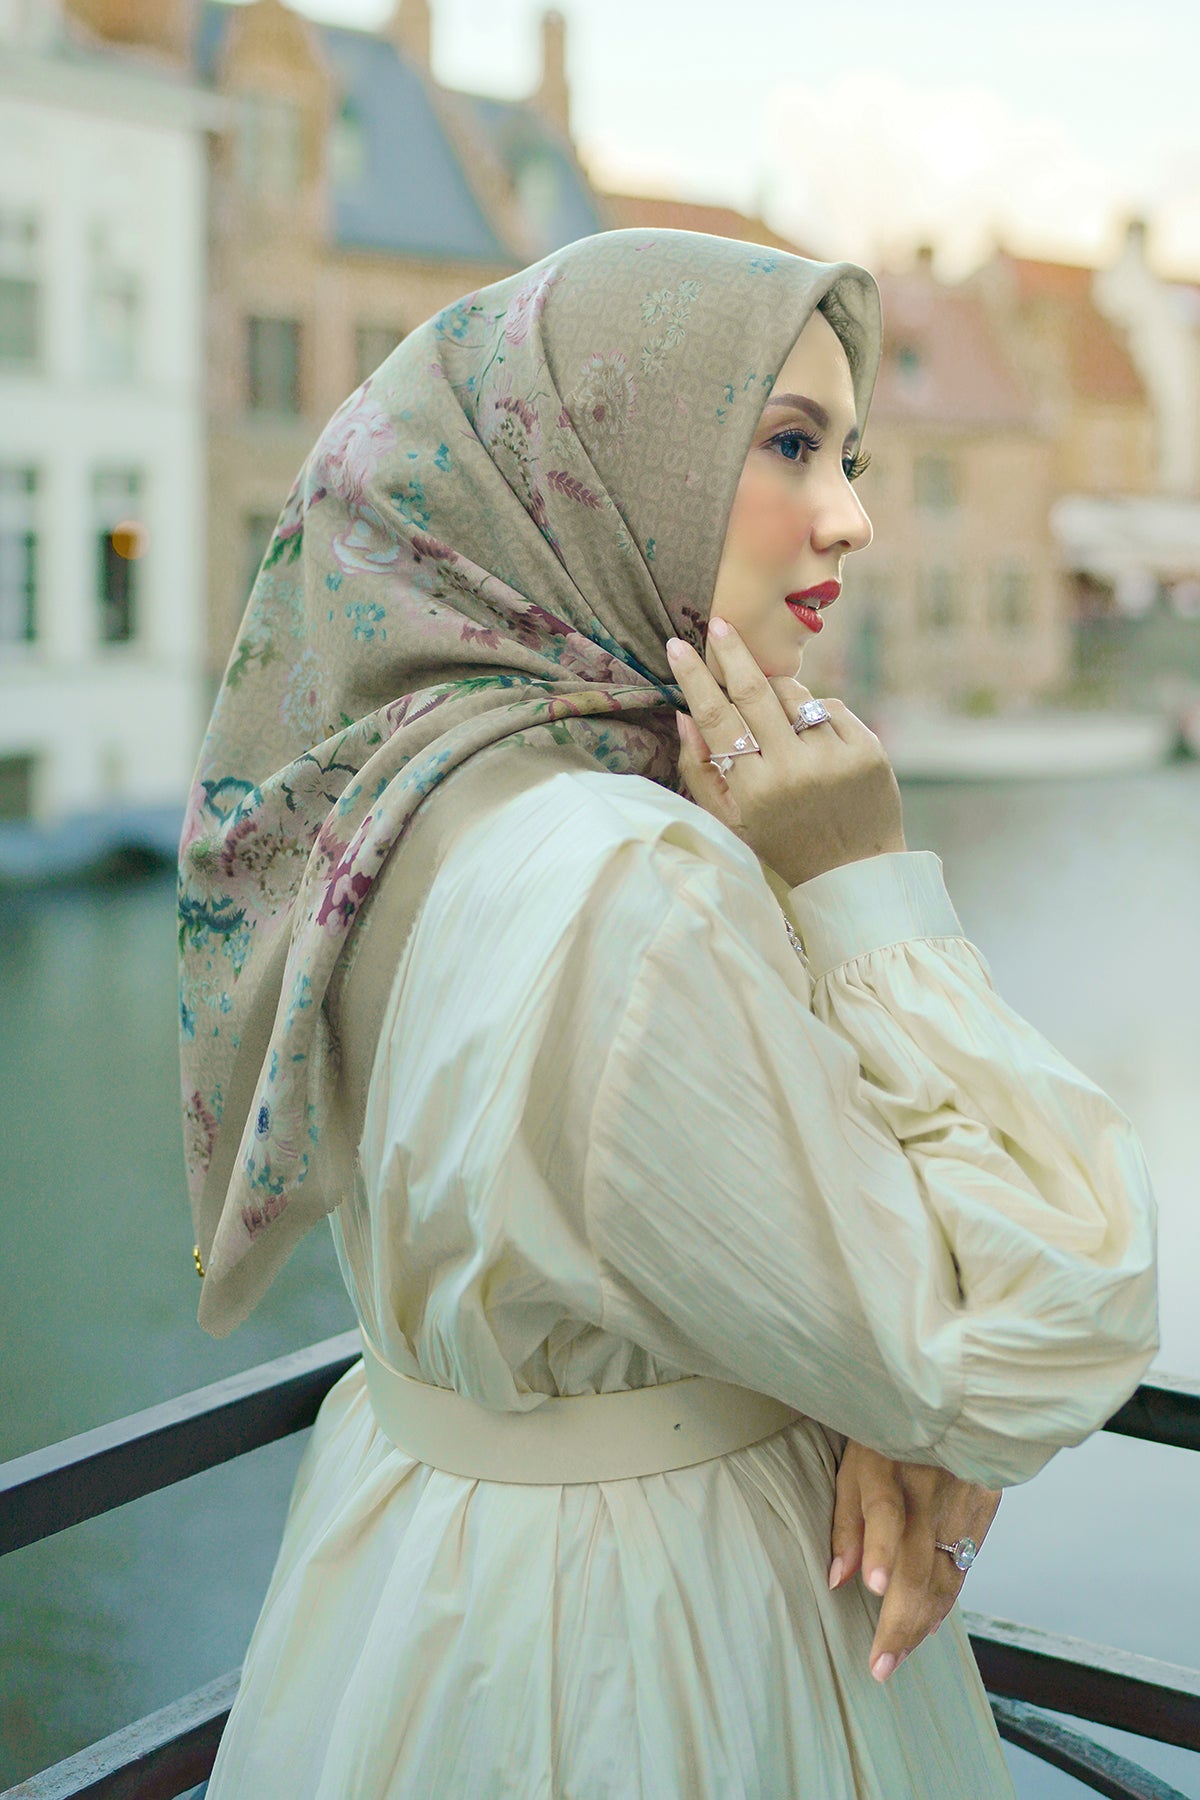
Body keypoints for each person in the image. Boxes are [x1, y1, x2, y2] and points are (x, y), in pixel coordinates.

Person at [178, 229, 1158, 1798]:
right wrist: (861, 887)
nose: (851, 515)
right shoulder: (627, 883)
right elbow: (1036, 1329)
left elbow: (752, 1259)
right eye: (788, 444)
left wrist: (858, 1373)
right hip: (654, 1647)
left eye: (851, 455)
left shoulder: (404, 799)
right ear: (606, 467)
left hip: (425, 1598)